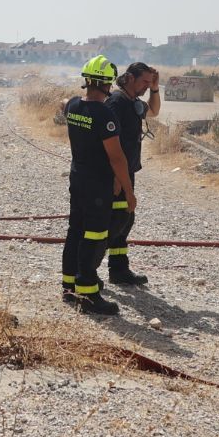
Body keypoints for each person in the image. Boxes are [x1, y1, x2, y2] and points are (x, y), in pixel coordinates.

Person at [61, 55, 136, 315]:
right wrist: (128, 191)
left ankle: (69, 285)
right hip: (97, 186)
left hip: (77, 178)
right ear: (106, 84)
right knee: (94, 236)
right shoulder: (104, 113)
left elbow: (64, 107)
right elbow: (116, 157)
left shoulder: (72, 105)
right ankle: (88, 292)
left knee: (75, 231)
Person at [103, 62, 160, 284]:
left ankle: (118, 269)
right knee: (116, 220)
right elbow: (111, 144)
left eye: (149, 82)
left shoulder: (134, 102)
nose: (146, 86)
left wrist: (155, 88)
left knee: (125, 220)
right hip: (117, 174)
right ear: (129, 78)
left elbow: (154, 111)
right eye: (144, 82)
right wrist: (118, 178)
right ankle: (87, 269)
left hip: (128, 171)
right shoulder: (116, 102)